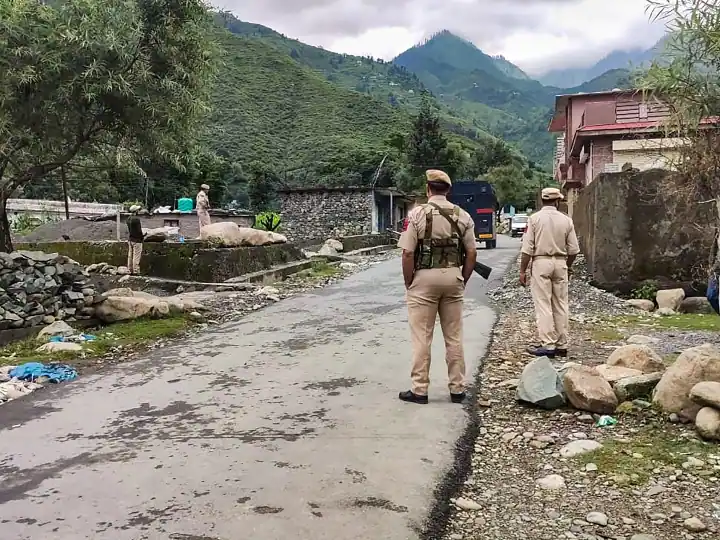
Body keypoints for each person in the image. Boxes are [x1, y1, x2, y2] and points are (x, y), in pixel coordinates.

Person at [396, 169, 478, 405]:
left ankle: (420, 390)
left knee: (422, 336)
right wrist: (462, 277)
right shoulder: (463, 216)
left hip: (424, 278)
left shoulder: (416, 215)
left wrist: (409, 281)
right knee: (454, 336)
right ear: (448, 190)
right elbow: (471, 252)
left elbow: (408, 252)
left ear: (428, 189)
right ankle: (457, 389)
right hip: (453, 278)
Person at [519, 187, 580, 358]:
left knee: (543, 304)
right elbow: (574, 249)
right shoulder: (566, 220)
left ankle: (548, 344)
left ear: (542, 200)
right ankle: (562, 344)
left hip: (541, 261)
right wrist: (567, 265)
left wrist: (523, 270)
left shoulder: (534, 219)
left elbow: (527, 249)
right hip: (560, 262)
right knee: (560, 304)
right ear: (558, 201)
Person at [126, 205, 145, 275]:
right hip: (137, 240)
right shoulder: (136, 219)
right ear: (136, 211)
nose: (138, 211)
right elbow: (139, 230)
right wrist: (142, 237)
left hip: (130, 239)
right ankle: (136, 271)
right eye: (138, 210)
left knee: (130, 256)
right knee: (136, 256)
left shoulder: (128, 219)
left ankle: (129, 270)